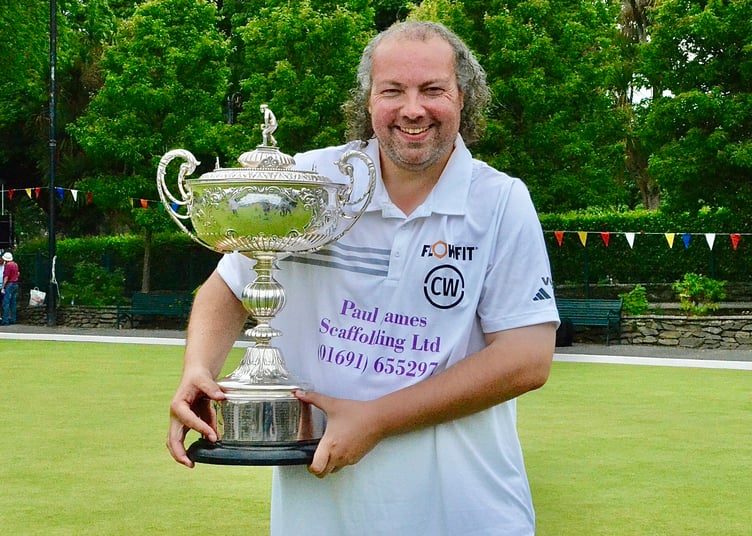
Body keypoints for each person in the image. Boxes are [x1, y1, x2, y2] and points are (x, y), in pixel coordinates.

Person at [167, 21, 559, 535]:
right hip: (321, 513)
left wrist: (376, 419)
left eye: (432, 90)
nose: (412, 109)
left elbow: (525, 360)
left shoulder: (501, 201)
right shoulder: (311, 185)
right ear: (368, 100)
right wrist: (198, 367)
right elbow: (229, 286)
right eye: (392, 90)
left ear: (464, 98)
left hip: (466, 512)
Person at [1, 251, 19, 325]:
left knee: (6, 303)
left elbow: (6, 277)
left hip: (9, 284)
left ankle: (5, 320)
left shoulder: (8, 265)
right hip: (15, 284)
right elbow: (18, 274)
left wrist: (3, 287)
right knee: (13, 303)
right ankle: (13, 319)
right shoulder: (15, 264)